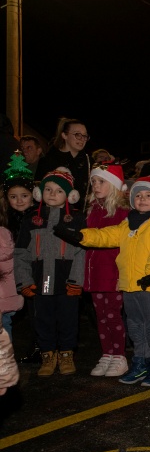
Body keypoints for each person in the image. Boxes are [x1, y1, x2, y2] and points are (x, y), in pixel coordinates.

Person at [56, 176, 150, 387]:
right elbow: (107, 235)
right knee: (136, 326)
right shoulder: (128, 223)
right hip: (129, 284)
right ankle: (140, 362)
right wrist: (80, 236)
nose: (142, 199)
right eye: (138, 195)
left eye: (149, 195)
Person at [15, 168, 86, 376]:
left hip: (66, 283)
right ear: (39, 192)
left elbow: (82, 252)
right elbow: (20, 253)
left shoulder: (77, 219)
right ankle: (47, 354)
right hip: (41, 282)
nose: (52, 194)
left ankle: (66, 353)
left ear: (70, 196)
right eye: (48, 189)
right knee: (42, 319)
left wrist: (76, 281)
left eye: (58, 190)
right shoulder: (31, 220)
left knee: (68, 319)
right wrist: (24, 280)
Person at [84, 163, 130, 377]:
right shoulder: (93, 209)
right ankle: (106, 353)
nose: (96, 185)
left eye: (101, 181)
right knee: (100, 315)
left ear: (113, 185)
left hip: (112, 272)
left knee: (113, 315)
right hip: (95, 273)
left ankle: (119, 354)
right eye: (93, 181)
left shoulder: (122, 212)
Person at [2, 155, 39, 362]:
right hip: (9, 275)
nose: (18, 201)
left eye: (23, 196)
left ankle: (40, 347)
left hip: (33, 272)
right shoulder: (5, 219)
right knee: (9, 313)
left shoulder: (37, 216)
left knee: (36, 312)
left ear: (32, 196)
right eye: (13, 196)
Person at [35, 118, 91, 209]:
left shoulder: (89, 161)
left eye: (85, 136)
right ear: (64, 135)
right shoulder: (48, 161)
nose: (82, 139)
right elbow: (39, 192)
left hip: (81, 217)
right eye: (78, 135)